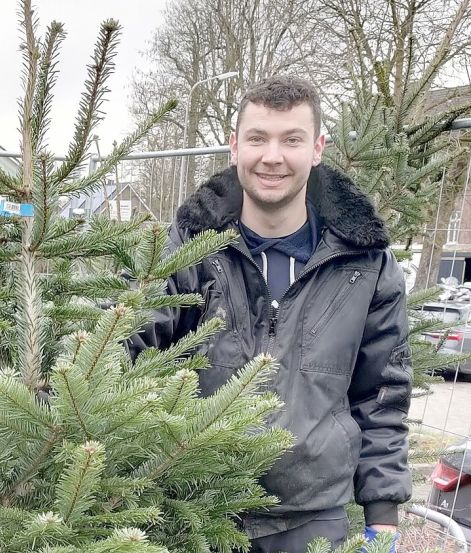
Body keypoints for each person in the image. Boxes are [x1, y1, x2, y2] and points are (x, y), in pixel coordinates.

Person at [128, 76, 412, 553]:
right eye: (258, 138)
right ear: (234, 146)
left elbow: (382, 394)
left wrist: (381, 518)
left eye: (292, 139)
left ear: (317, 148)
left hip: (312, 518)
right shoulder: (186, 251)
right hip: (193, 512)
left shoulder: (366, 266)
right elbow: (123, 348)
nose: (273, 156)